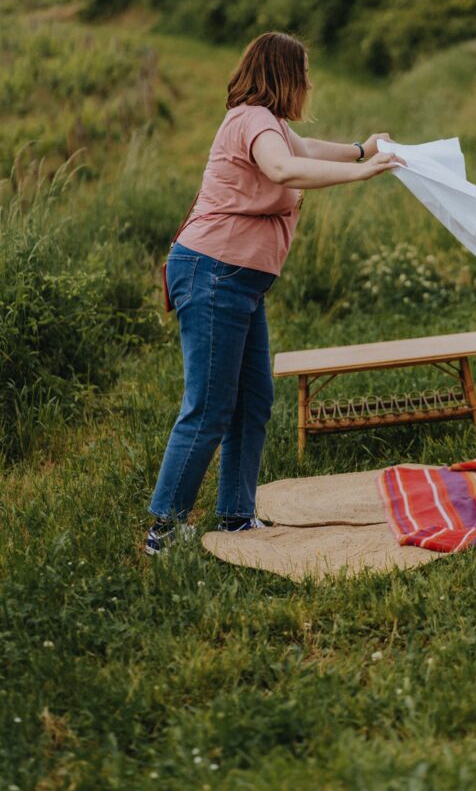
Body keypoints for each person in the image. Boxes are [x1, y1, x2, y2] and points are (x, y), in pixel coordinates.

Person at [145, 31, 403, 554]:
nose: (309, 83)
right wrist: (362, 174)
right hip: (213, 272)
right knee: (209, 406)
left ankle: (236, 516)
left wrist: (362, 149)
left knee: (253, 401)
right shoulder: (251, 120)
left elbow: (307, 151)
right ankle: (164, 530)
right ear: (283, 75)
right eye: (303, 73)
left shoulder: (272, 124)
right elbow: (285, 169)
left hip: (237, 280)